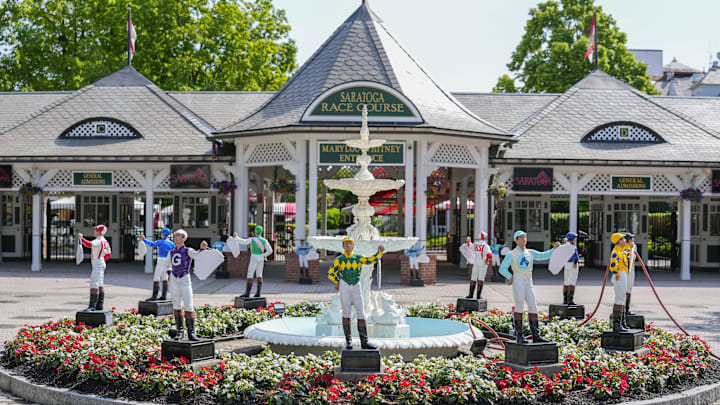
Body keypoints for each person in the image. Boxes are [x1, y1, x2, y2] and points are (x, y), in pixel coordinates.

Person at [498, 230, 559, 343]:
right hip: (518, 280)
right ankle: (519, 335)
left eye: (525, 238)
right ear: (516, 240)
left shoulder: (530, 252)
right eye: (521, 238)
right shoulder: (511, 254)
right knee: (519, 306)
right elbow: (502, 268)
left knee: (533, 306)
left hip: (528, 280)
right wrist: (509, 276)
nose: (524, 240)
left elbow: (542, 256)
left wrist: (554, 250)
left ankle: (536, 335)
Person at [328, 236, 384, 350]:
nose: (348, 245)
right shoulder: (339, 260)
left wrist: (379, 253)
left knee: (361, 313)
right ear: (343, 246)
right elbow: (330, 273)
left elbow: (370, 260)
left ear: (353, 245)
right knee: (346, 312)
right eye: (346, 243)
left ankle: (365, 341)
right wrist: (337, 281)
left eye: (350, 243)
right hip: (344, 285)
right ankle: (348, 341)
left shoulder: (358, 258)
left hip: (356, 285)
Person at [167, 230, 208, 341]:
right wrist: (169, 272)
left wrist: (202, 249)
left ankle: (191, 332)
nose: (177, 239)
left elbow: (197, 255)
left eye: (179, 236)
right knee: (176, 304)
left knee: (188, 304)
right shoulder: (171, 252)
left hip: (184, 278)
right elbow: (168, 264)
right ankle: (180, 331)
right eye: (175, 236)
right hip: (174, 279)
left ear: (184, 238)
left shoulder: (188, 250)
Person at [231, 226, 273, 297]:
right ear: (261, 232)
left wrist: (236, 237)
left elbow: (243, 242)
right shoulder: (264, 240)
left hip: (254, 257)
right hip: (261, 257)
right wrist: (264, 255)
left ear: (255, 232)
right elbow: (270, 250)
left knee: (250, 274)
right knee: (259, 274)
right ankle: (258, 293)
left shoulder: (252, 239)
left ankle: (247, 293)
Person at [78, 225, 112, 311]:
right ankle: (99, 305)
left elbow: (89, 244)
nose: (94, 231)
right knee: (100, 283)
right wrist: (102, 260)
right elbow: (108, 254)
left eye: (96, 230)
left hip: (97, 262)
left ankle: (92, 306)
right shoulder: (105, 241)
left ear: (99, 232)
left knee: (94, 283)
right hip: (101, 262)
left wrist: (81, 238)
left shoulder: (98, 241)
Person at [139, 228, 174, 301]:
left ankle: (154, 296)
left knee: (157, 277)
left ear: (163, 234)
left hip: (161, 260)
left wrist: (144, 239)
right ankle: (164, 295)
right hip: (168, 261)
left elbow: (151, 244)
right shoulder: (171, 243)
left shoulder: (160, 242)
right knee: (165, 277)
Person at [609, 233, 629, 332]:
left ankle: (621, 322)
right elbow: (613, 262)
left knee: (622, 298)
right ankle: (617, 324)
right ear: (618, 241)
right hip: (619, 275)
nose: (625, 240)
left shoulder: (622, 251)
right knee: (619, 299)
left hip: (622, 274)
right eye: (623, 239)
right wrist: (616, 273)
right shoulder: (616, 251)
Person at [468, 232, 492, 299]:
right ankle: (478, 295)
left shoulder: (475, 244)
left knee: (473, 278)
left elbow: (470, 246)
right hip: (482, 262)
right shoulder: (485, 245)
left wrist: (469, 241)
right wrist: (487, 260)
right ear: (485, 238)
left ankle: (470, 294)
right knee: (481, 279)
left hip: (476, 261)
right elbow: (489, 255)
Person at [562, 232, 580, 305]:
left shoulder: (565, 246)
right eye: (575, 237)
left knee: (566, 282)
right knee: (572, 282)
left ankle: (565, 299)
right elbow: (575, 256)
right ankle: (570, 300)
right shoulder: (573, 246)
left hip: (566, 264)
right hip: (573, 264)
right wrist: (575, 262)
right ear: (573, 238)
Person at [624, 233, 637, 319]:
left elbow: (634, 257)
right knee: (625, 289)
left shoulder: (633, 247)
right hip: (625, 270)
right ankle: (623, 309)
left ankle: (627, 308)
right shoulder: (623, 247)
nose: (633, 240)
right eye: (631, 238)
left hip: (631, 269)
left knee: (629, 288)